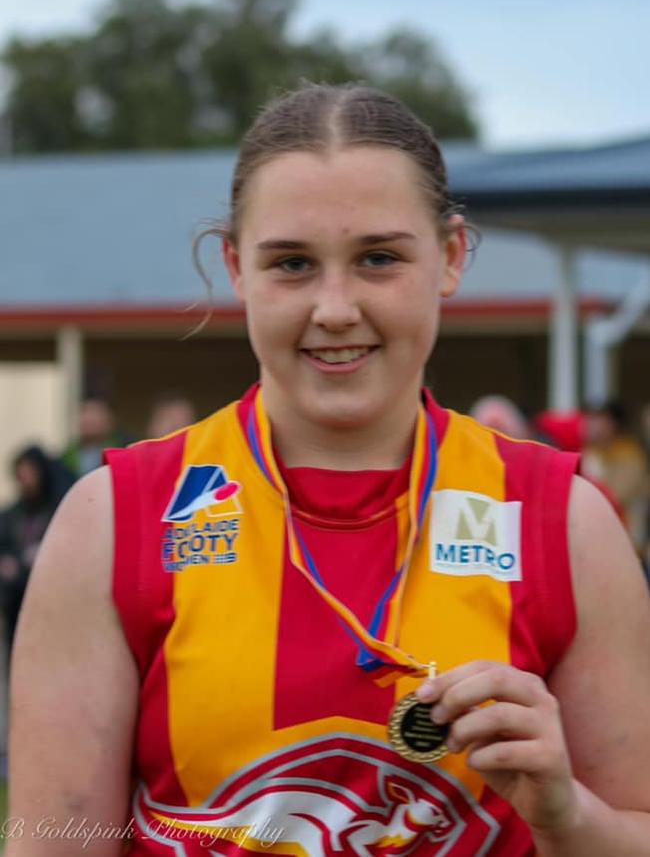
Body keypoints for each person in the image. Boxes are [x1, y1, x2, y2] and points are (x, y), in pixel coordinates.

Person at [8, 84, 650, 857]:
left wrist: (566, 816)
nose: (336, 306)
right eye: (293, 264)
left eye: (378, 257)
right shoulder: (113, 520)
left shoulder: (566, 521)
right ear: (237, 267)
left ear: (450, 257)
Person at [0, 445, 73, 659]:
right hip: (16, 600)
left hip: (51, 600)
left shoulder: (59, 510)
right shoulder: (11, 513)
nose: (25, 478)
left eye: (30, 472)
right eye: (21, 473)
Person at [582, 400, 648, 553]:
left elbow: (616, 496)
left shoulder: (629, 454)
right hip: (596, 539)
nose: (590, 424)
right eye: (589, 418)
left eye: (598, 419)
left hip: (626, 541)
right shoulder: (588, 451)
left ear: (613, 424)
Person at [60, 396, 131, 478]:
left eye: (95, 413)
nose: (88, 419)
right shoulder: (66, 456)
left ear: (110, 419)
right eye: (84, 412)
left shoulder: (124, 452)